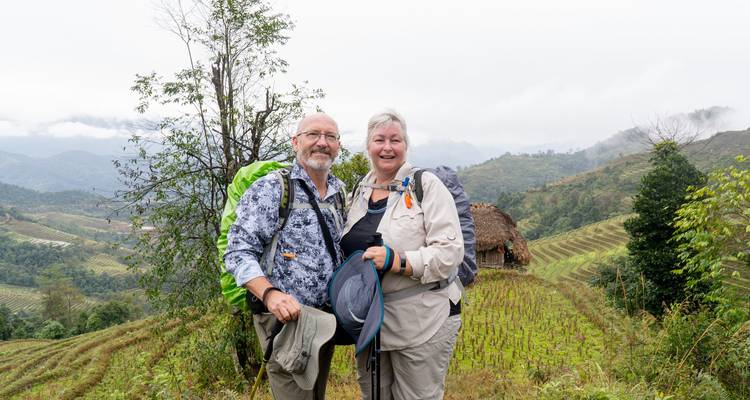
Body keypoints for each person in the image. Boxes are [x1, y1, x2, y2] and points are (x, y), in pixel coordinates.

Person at [340, 109, 464, 399]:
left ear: (405, 145)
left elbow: (450, 252)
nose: (387, 147)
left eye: (395, 140)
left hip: (421, 318)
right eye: (379, 140)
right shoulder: (359, 191)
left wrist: (399, 261)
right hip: (370, 323)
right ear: (368, 145)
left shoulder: (426, 186)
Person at [224, 112, 345, 399]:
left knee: (316, 395)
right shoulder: (272, 187)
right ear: (295, 142)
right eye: (313, 135)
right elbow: (238, 250)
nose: (322, 142)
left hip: (324, 321)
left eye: (330, 137)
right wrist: (270, 295)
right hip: (286, 323)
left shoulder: (338, 191)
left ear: (338, 145)